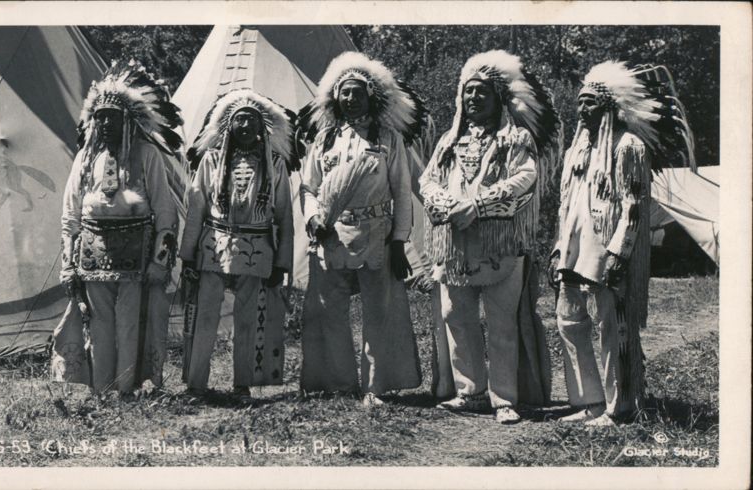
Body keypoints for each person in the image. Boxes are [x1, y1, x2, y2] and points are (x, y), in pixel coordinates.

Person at [550, 61, 696, 426]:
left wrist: (620, 251)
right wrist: (558, 247)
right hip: (574, 248)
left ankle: (621, 406)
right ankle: (590, 400)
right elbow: (565, 204)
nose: (581, 109)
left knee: (613, 326)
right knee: (569, 320)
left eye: (590, 102)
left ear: (611, 106)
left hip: (607, 249)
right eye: (579, 102)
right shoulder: (577, 150)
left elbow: (633, 206)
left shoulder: (629, 146)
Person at [420, 51, 560, 423]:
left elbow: (525, 178)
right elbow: (427, 180)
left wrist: (479, 205)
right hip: (454, 242)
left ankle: (504, 399)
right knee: (455, 315)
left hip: (499, 241)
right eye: (468, 91)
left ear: (498, 98)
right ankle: (471, 391)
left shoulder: (515, 138)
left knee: (501, 321)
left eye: (482, 91)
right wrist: (446, 203)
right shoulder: (449, 140)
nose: (474, 98)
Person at [297, 52, 423, 407]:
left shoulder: (388, 139)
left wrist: (399, 242)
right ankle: (338, 382)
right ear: (335, 97)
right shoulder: (324, 139)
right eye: (345, 93)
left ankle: (376, 386)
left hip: (376, 232)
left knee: (379, 310)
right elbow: (308, 187)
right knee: (328, 309)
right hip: (332, 233)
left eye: (358, 92)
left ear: (371, 97)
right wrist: (314, 219)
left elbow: (402, 191)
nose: (351, 99)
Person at [50, 60, 182, 395]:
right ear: (92, 120)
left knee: (129, 323)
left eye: (113, 116)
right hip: (92, 256)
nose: (106, 123)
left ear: (128, 120)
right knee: (99, 323)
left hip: (136, 257)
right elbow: (70, 214)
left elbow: (165, 211)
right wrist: (68, 265)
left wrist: (159, 262)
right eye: (101, 117)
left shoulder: (147, 154)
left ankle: (125, 389)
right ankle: (101, 389)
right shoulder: (86, 158)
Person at [179, 89, 294, 398]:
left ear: (261, 127)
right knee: (205, 315)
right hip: (213, 246)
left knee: (250, 317)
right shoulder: (211, 160)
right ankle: (196, 384)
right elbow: (196, 209)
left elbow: (284, 216)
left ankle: (243, 384)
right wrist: (188, 255)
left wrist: (282, 263)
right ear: (228, 126)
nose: (245, 126)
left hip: (257, 248)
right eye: (239, 120)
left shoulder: (275, 164)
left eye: (251, 121)